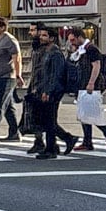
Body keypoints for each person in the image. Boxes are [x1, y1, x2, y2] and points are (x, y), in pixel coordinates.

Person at [29, 26, 78, 160]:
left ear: (52, 38)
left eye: (44, 35)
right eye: (41, 35)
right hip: (44, 89)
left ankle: (52, 148)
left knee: (49, 121)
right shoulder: (45, 51)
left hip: (53, 91)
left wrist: (48, 91)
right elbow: (43, 73)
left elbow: (55, 75)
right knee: (46, 120)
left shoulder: (55, 53)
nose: (41, 37)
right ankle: (63, 141)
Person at [68, 26, 106, 153]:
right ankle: (88, 141)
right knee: (85, 113)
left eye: (73, 40)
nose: (71, 42)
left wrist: (91, 83)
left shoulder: (91, 49)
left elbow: (96, 66)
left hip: (91, 85)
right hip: (83, 84)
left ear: (79, 37)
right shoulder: (82, 50)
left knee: (92, 113)